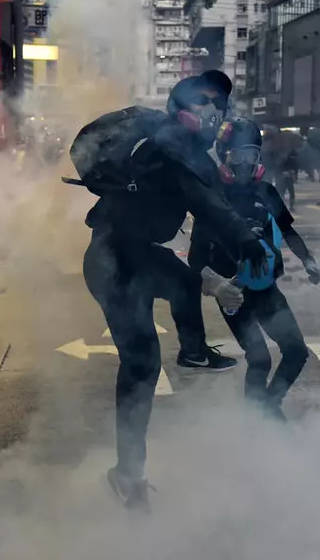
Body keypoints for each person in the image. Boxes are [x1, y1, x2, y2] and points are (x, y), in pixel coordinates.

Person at [79, 72, 268, 512]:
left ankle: (191, 354)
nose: (215, 112)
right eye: (206, 102)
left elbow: (200, 217)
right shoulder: (168, 148)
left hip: (135, 256)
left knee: (180, 290)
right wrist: (246, 240)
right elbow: (208, 205)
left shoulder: (178, 149)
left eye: (219, 104)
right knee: (142, 361)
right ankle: (129, 474)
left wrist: (226, 261)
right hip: (115, 261)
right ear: (184, 105)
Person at [189, 117, 320, 420]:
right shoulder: (212, 198)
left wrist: (309, 260)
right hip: (234, 294)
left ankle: (268, 405)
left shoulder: (266, 192)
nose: (245, 164)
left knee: (296, 351)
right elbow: (195, 258)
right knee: (259, 359)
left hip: (267, 289)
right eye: (237, 155)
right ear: (224, 155)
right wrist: (215, 285)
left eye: (251, 155)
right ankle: (255, 421)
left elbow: (288, 231)